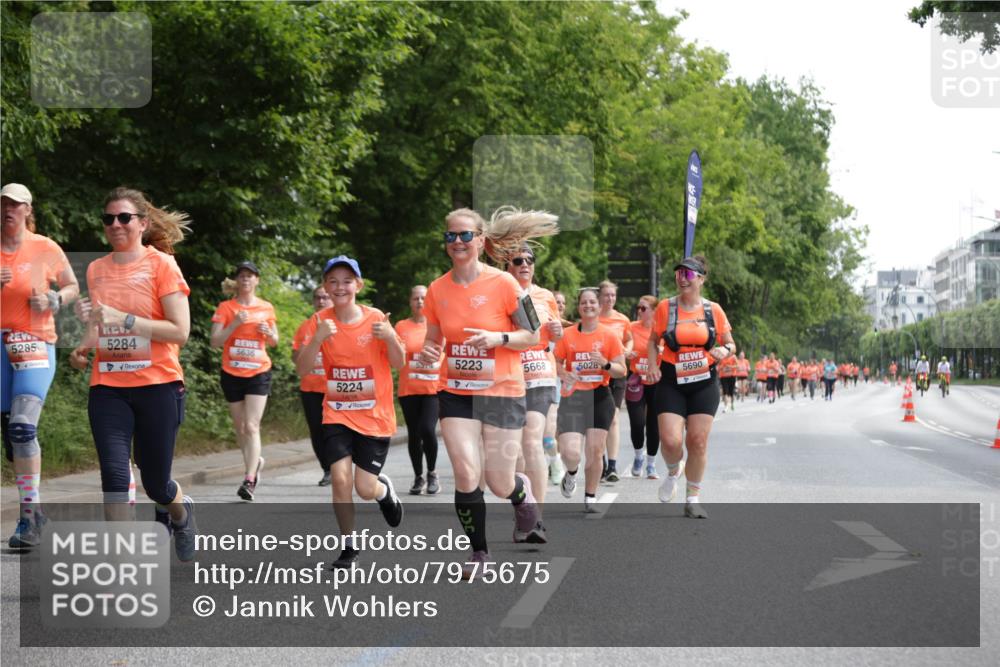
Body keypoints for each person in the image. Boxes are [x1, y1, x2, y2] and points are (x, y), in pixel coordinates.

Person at [419, 206, 557, 576]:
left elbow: (532, 334)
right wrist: (430, 351)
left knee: (498, 481)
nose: (458, 241)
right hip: (456, 391)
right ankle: (479, 553)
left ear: (480, 240)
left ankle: (520, 493)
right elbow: (434, 339)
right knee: (466, 473)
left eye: (466, 235)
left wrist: (497, 338)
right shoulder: (437, 289)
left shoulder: (505, 284)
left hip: (503, 390)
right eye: (451, 236)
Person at [69, 186, 196, 560]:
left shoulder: (162, 265)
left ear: (142, 223)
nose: (115, 224)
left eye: (124, 217)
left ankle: (181, 512)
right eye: (108, 218)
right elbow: (99, 324)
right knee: (113, 474)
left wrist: (125, 320)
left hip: (158, 385)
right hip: (108, 386)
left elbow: (180, 332)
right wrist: (84, 347)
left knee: (156, 483)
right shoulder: (96, 269)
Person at [295, 256, 405, 567]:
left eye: (346, 281)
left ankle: (384, 492)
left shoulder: (376, 320)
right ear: (326, 287)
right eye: (333, 281)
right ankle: (349, 546)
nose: (339, 287)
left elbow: (398, 363)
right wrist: (317, 340)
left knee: (364, 487)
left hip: (373, 416)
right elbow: (303, 369)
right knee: (341, 479)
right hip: (337, 414)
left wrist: (390, 337)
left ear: (358, 285)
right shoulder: (320, 323)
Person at [1, 183, 80, 548]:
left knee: (21, 428)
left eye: (16, 205)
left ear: (28, 210)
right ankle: (37, 510)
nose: (9, 211)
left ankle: (28, 518)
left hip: (35, 342)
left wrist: (53, 298)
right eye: (3, 204)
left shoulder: (46, 247)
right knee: (9, 436)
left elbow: (72, 287)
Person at [647, 256, 735, 519]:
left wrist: (723, 350)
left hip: (704, 380)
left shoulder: (713, 310)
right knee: (671, 440)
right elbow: (653, 341)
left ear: (701, 279)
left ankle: (692, 498)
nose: (682, 278)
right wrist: (653, 364)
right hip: (672, 379)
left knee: (697, 440)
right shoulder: (665, 308)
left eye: (688, 274)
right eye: (679, 274)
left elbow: (731, 343)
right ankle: (674, 470)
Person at [507, 246, 562, 542]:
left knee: (532, 441)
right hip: (508, 377)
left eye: (530, 260)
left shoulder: (545, 296)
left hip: (540, 371)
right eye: (518, 260)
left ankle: (537, 520)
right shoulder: (498, 292)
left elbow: (554, 339)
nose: (525, 264)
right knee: (513, 451)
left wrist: (557, 333)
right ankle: (524, 512)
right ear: (508, 266)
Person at [553, 288, 626, 511]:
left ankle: (590, 497)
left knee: (595, 450)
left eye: (592, 302)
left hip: (599, 396)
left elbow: (621, 370)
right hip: (573, 396)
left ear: (599, 305)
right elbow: (553, 362)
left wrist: (605, 364)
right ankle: (572, 473)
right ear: (579, 307)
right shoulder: (568, 335)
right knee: (571, 452)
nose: (588, 306)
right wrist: (564, 373)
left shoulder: (609, 335)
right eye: (584, 302)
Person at [210, 261, 278, 501]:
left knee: (251, 426)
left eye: (250, 276)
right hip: (232, 373)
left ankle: (249, 479)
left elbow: (274, 341)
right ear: (237, 281)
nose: (246, 279)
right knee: (240, 428)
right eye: (242, 276)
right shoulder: (226, 308)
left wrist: (269, 334)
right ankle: (254, 462)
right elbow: (215, 341)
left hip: (258, 372)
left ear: (257, 280)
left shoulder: (266, 308)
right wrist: (235, 324)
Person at [395, 285, 443, 495]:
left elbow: (446, 353)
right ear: (410, 302)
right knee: (413, 435)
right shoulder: (401, 326)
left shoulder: (438, 325)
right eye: (416, 298)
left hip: (433, 389)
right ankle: (418, 477)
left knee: (427, 429)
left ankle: (432, 473)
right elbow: (395, 354)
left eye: (424, 298)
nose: (420, 302)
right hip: (409, 389)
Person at [292, 285, 333, 486]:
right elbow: (295, 356)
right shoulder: (305, 326)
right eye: (318, 297)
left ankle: (340, 465)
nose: (321, 301)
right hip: (309, 388)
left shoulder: (338, 324)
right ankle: (327, 469)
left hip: (334, 389)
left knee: (335, 430)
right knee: (316, 430)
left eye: (325, 297)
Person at [597, 280, 633, 483]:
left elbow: (629, 339)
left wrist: (627, 350)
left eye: (613, 295)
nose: (610, 299)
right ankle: (599, 462)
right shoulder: (592, 319)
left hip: (617, 373)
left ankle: (612, 466)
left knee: (613, 418)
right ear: (599, 297)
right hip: (596, 374)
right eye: (606, 295)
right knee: (599, 421)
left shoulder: (623, 319)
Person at [625, 295, 662, 478]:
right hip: (637, 380)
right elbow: (620, 346)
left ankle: (651, 464)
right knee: (637, 423)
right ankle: (639, 456)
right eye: (638, 307)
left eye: (644, 308)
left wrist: (663, 351)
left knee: (654, 425)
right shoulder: (631, 327)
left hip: (657, 382)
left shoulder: (661, 330)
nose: (639, 311)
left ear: (654, 311)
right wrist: (627, 353)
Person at [545, 290, 571, 485]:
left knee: (559, 429)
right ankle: (554, 462)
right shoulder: (541, 327)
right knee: (547, 433)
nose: (559, 305)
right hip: (543, 381)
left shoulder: (570, 329)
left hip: (563, 384)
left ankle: (557, 461)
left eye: (562, 302)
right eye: (556, 302)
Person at [717, 341, 738, 413]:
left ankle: (732, 403)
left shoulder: (733, 357)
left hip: (732, 376)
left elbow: (737, 366)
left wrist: (730, 367)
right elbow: (718, 366)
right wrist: (722, 368)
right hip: (723, 376)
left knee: (731, 392)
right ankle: (726, 406)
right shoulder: (721, 357)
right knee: (725, 391)